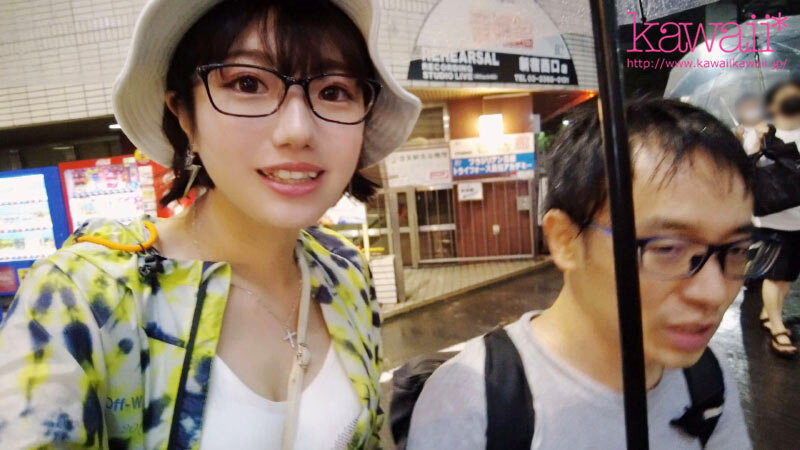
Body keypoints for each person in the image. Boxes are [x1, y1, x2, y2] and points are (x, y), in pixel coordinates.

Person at [0, 0, 420, 448]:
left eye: (334, 91)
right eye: (247, 83)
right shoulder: (85, 297)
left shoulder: (344, 272)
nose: (297, 131)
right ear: (184, 115)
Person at [406, 98, 766, 449]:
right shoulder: (472, 404)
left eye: (736, 250)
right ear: (565, 240)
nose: (713, 293)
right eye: (668, 248)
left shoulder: (707, 379)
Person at [753, 79, 800, 357]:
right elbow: (749, 165)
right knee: (775, 275)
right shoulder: (764, 130)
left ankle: (770, 313)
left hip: (799, 218)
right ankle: (777, 327)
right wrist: (758, 140)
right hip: (776, 217)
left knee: (788, 275)